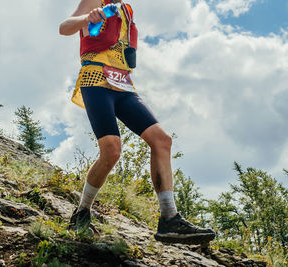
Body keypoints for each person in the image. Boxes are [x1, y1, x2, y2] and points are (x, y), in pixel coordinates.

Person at [59, 0, 215, 244]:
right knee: (111, 151)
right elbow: (64, 27)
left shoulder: (126, 10)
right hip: (96, 78)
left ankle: (169, 218)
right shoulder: (95, 1)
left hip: (124, 84)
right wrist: (87, 18)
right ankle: (82, 211)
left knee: (162, 141)